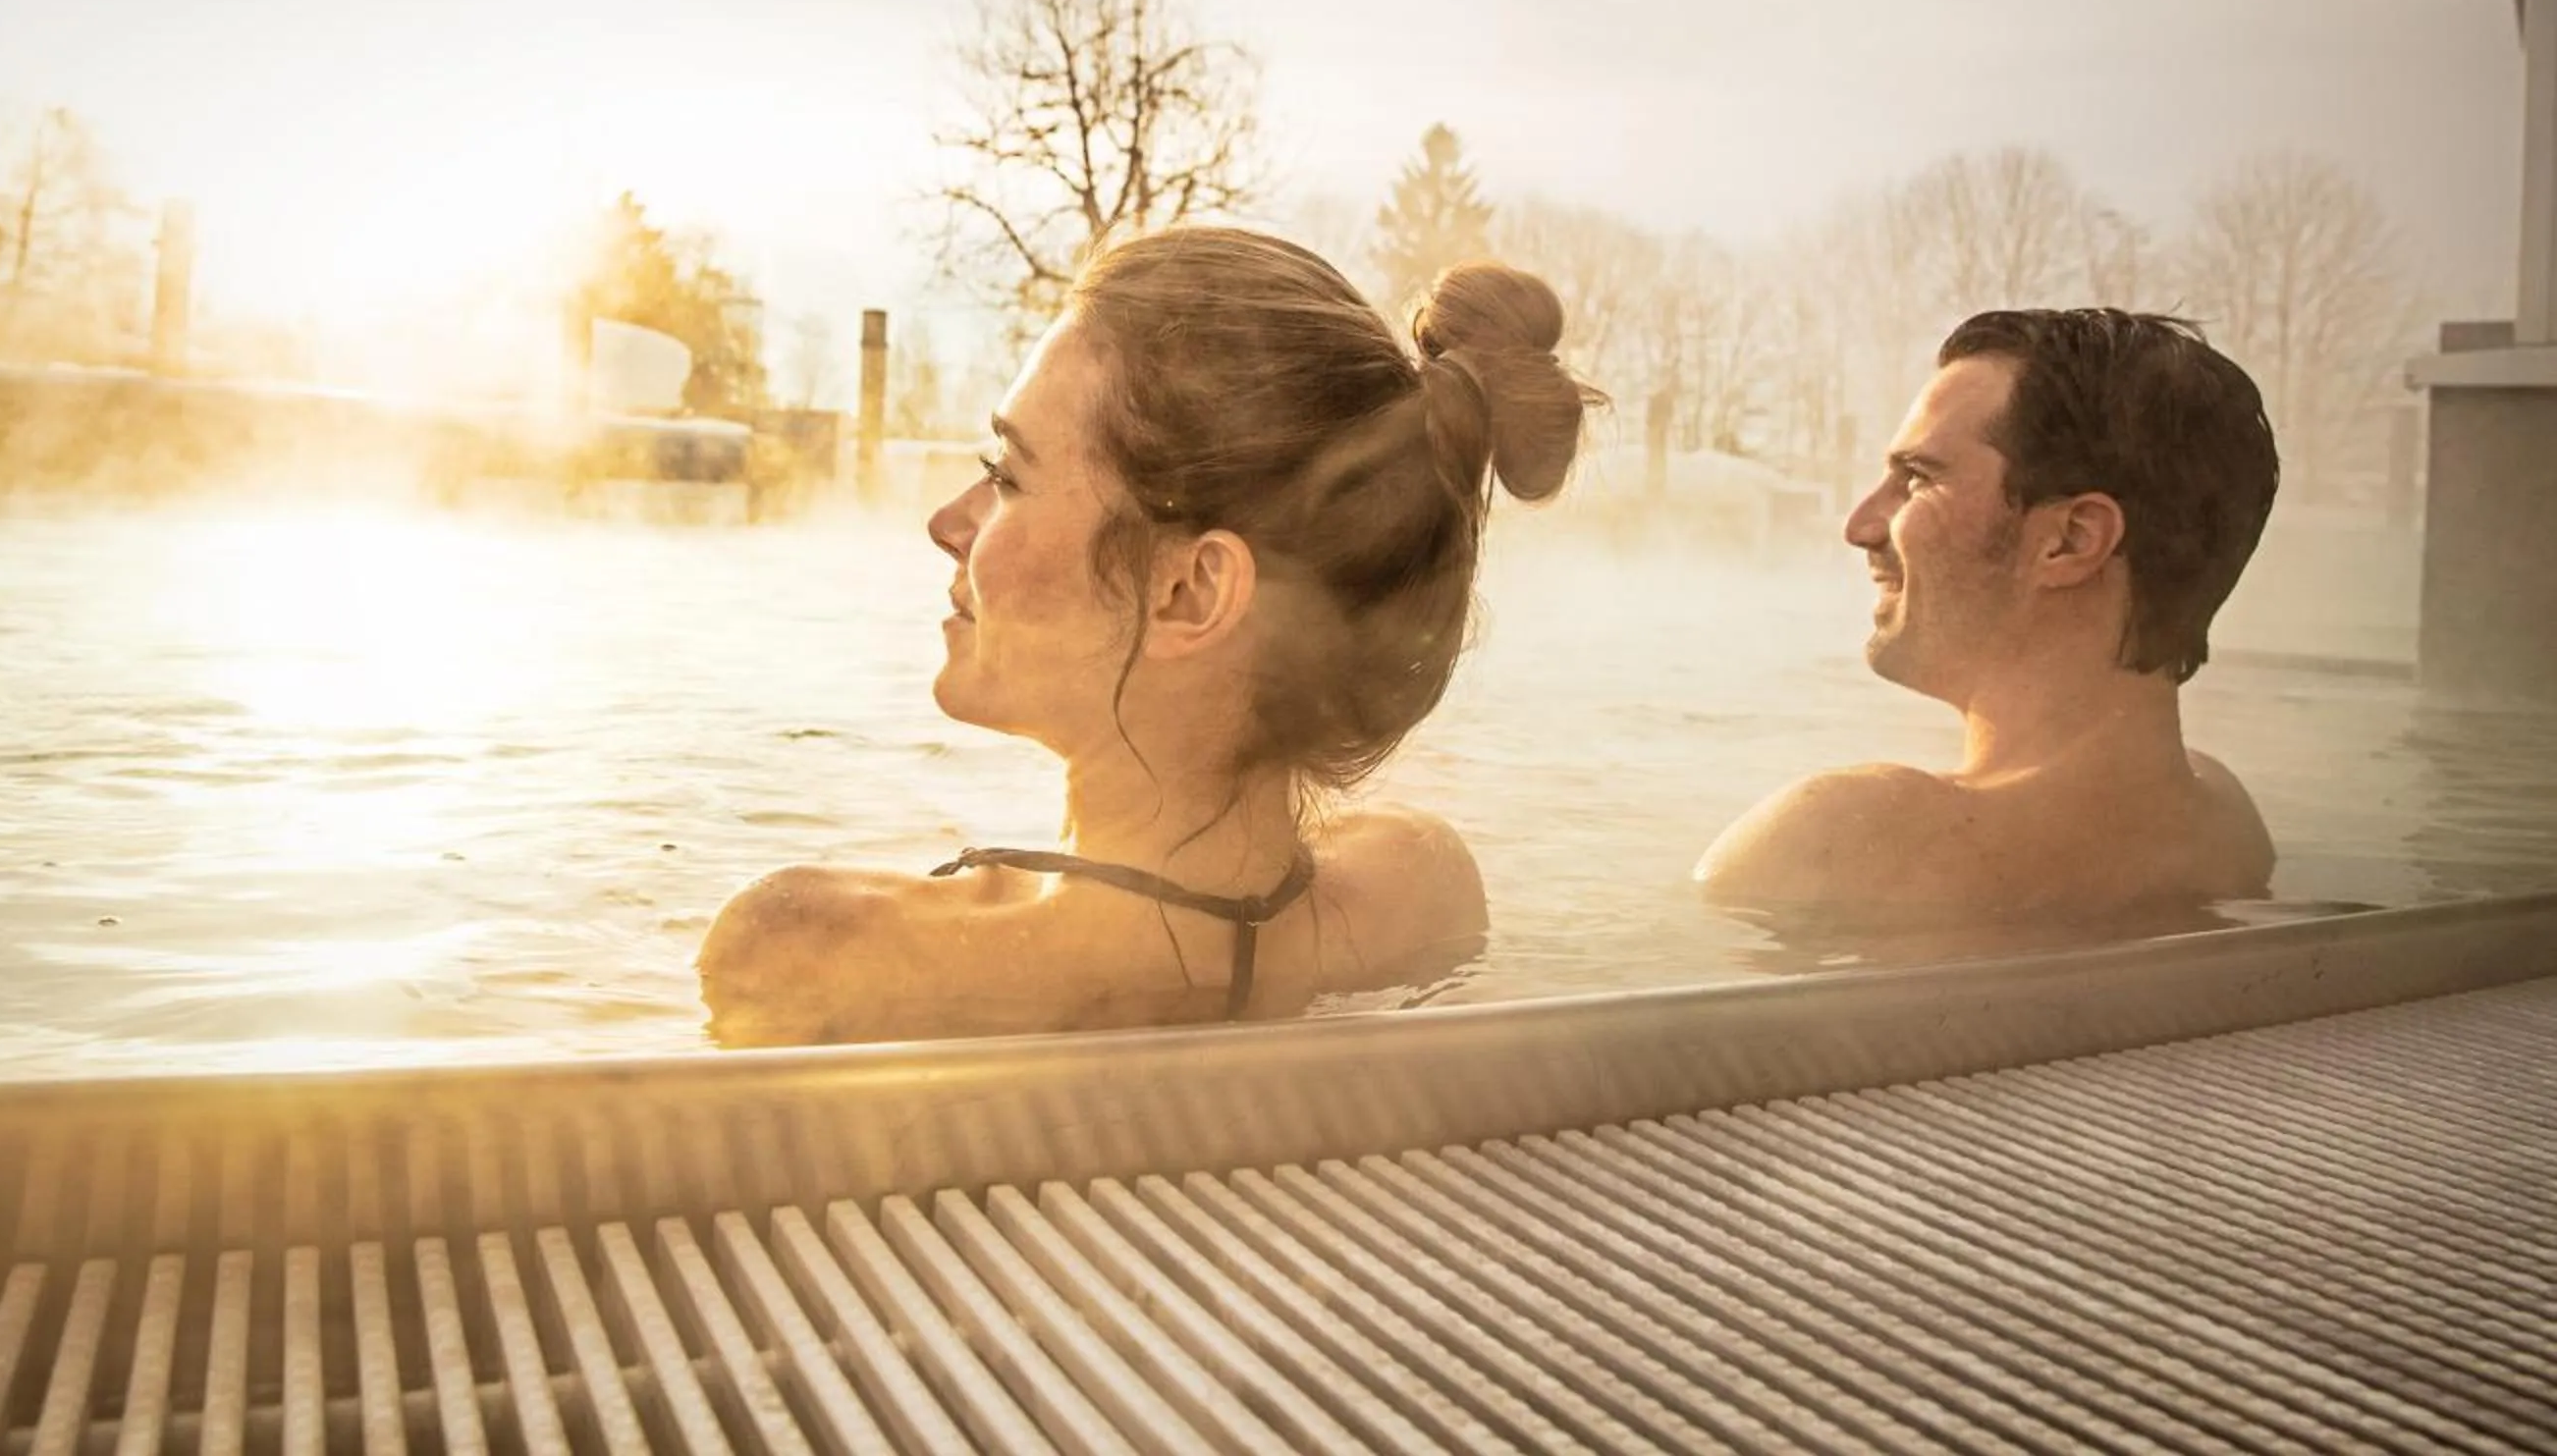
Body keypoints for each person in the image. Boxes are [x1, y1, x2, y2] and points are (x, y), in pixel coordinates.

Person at [698, 227, 1601, 1045]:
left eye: (1005, 475)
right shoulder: (1422, 891)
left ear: (1190, 592)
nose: (947, 521)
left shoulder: (811, 951)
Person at [1697, 309, 2280, 931]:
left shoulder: (1841, 843)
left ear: (2071, 540)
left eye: (1917, 479)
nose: (1862, 526)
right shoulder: (2228, 827)